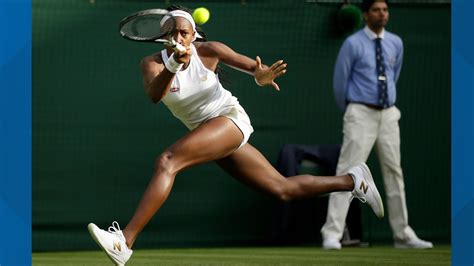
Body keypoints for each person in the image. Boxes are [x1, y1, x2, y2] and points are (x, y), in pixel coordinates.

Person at [87, 5, 384, 265]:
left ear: (193, 35)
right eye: (172, 32)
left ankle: (124, 241)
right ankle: (353, 180)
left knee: (168, 161)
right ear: (163, 36)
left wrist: (261, 74)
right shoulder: (151, 63)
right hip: (206, 131)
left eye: (184, 32)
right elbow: (155, 94)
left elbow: (252, 67)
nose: (179, 37)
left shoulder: (210, 50)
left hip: (229, 121)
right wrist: (173, 65)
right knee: (282, 189)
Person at [320, 0, 433, 250]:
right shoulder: (353, 43)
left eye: (385, 10)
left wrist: (385, 103)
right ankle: (332, 234)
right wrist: (353, 110)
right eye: (376, 10)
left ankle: (402, 234)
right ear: (365, 15)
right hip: (360, 112)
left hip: (389, 114)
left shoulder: (395, 43)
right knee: (347, 171)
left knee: (394, 172)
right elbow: (341, 82)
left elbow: (395, 74)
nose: (382, 14)